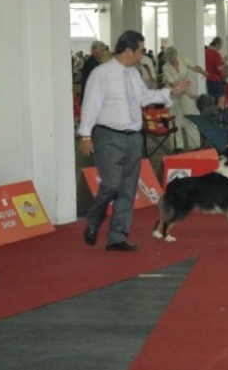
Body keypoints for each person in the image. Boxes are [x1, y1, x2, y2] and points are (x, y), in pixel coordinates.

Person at [77, 30, 190, 251]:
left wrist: (170, 91)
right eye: (139, 51)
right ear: (128, 50)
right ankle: (94, 219)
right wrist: (85, 135)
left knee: (128, 188)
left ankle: (117, 236)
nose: (142, 55)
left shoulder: (133, 74)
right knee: (111, 183)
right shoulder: (102, 74)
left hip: (133, 137)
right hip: (108, 135)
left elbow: (145, 98)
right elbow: (90, 105)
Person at [162, 46, 206, 150]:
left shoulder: (184, 60)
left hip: (186, 90)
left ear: (176, 56)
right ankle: (177, 146)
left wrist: (203, 72)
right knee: (174, 120)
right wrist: (187, 92)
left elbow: (195, 67)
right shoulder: (165, 67)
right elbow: (172, 83)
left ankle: (195, 145)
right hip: (173, 93)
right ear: (167, 59)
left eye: (173, 59)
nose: (172, 61)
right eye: (170, 60)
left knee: (190, 117)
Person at [79, 40, 106, 105]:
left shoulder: (96, 62)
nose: (103, 53)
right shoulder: (91, 63)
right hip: (90, 97)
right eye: (102, 50)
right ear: (95, 50)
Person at [205, 37, 226, 109]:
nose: (221, 47)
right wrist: (225, 66)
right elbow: (219, 68)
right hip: (215, 79)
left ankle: (211, 117)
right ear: (217, 44)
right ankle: (219, 117)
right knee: (221, 99)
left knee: (211, 100)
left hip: (207, 78)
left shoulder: (206, 52)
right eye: (220, 45)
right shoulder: (216, 54)